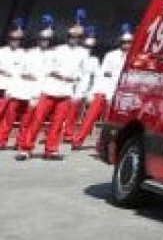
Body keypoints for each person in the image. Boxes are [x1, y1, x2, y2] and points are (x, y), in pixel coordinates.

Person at [17, 10, 90, 160]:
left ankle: (51, 149)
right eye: (71, 36)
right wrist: (37, 92)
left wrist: (79, 93)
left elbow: (84, 75)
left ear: (80, 39)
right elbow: (45, 72)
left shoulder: (83, 53)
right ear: (67, 37)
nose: (74, 39)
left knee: (58, 123)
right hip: (50, 87)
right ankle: (26, 148)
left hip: (66, 90)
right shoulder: (57, 50)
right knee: (37, 120)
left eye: (77, 37)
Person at [71, 24, 132, 150]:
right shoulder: (111, 55)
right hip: (104, 89)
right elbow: (103, 74)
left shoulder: (132, 57)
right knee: (90, 116)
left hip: (118, 93)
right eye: (124, 42)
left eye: (129, 42)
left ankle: (102, 144)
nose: (126, 44)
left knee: (110, 122)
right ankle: (78, 140)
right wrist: (94, 91)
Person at [1, 15, 53, 150]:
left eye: (47, 40)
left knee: (27, 119)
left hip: (36, 90)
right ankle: (2, 140)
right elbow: (18, 72)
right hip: (19, 88)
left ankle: (20, 142)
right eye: (42, 39)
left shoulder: (52, 56)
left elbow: (48, 76)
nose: (44, 41)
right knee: (9, 117)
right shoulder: (28, 53)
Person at [62, 27, 100, 148]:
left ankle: (69, 133)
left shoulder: (94, 60)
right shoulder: (76, 54)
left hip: (84, 87)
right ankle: (62, 132)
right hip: (69, 84)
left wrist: (91, 91)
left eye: (91, 47)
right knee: (65, 111)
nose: (89, 49)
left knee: (77, 112)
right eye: (87, 46)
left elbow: (97, 76)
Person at [0, 20, 26, 115]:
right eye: (13, 39)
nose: (15, 41)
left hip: (14, 89)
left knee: (8, 116)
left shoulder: (24, 54)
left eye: (18, 39)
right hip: (1, 87)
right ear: (8, 39)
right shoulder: (2, 51)